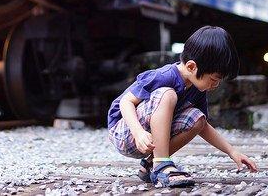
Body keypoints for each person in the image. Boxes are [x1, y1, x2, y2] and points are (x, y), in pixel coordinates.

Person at [107, 25, 258, 188]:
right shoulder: (164, 76)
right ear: (192, 67)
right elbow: (126, 102)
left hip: (148, 139)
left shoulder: (197, 88)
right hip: (125, 132)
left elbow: (203, 127)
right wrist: (138, 132)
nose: (216, 85)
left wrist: (231, 151)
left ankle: (150, 165)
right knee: (167, 94)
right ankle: (162, 164)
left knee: (198, 119)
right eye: (214, 79)